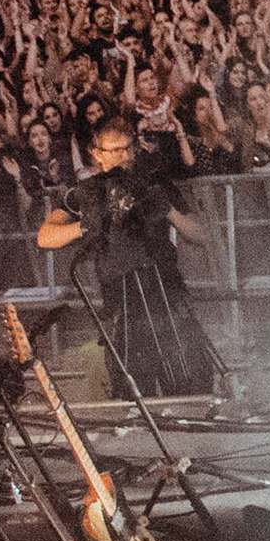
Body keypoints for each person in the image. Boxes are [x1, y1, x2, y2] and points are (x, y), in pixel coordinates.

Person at [35, 118, 214, 394]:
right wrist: (86, 226)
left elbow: (201, 234)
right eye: (115, 150)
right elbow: (45, 236)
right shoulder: (87, 191)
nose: (124, 156)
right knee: (133, 389)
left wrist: (168, 210)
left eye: (128, 148)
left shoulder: (155, 183)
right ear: (97, 154)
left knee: (190, 382)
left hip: (166, 295)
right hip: (122, 302)